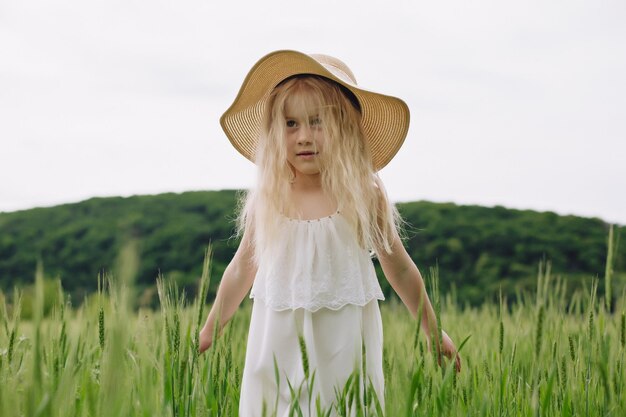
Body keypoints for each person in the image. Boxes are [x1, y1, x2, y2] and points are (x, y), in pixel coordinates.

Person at [199, 50, 460, 416]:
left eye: (318, 122)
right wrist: (211, 327)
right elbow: (242, 268)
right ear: (276, 132)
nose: (304, 136)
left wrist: (434, 332)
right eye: (291, 124)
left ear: (345, 127)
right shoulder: (269, 198)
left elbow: (399, 267)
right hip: (277, 344)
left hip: (343, 344)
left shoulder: (363, 194)